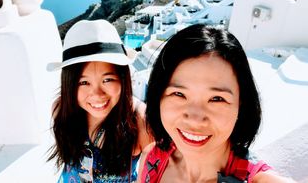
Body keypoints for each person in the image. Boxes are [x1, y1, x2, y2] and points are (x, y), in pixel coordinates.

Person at [137, 24, 295, 183]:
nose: (195, 119)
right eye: (179, 94)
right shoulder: (152, 159)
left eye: (217, 98)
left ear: (240, 104)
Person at [48, 19, 152, 182]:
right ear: (69, 84)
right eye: (83, 82)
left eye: (108, 79)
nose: (97, 94)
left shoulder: (139, 121)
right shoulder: (61, 109)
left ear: (123, 78)